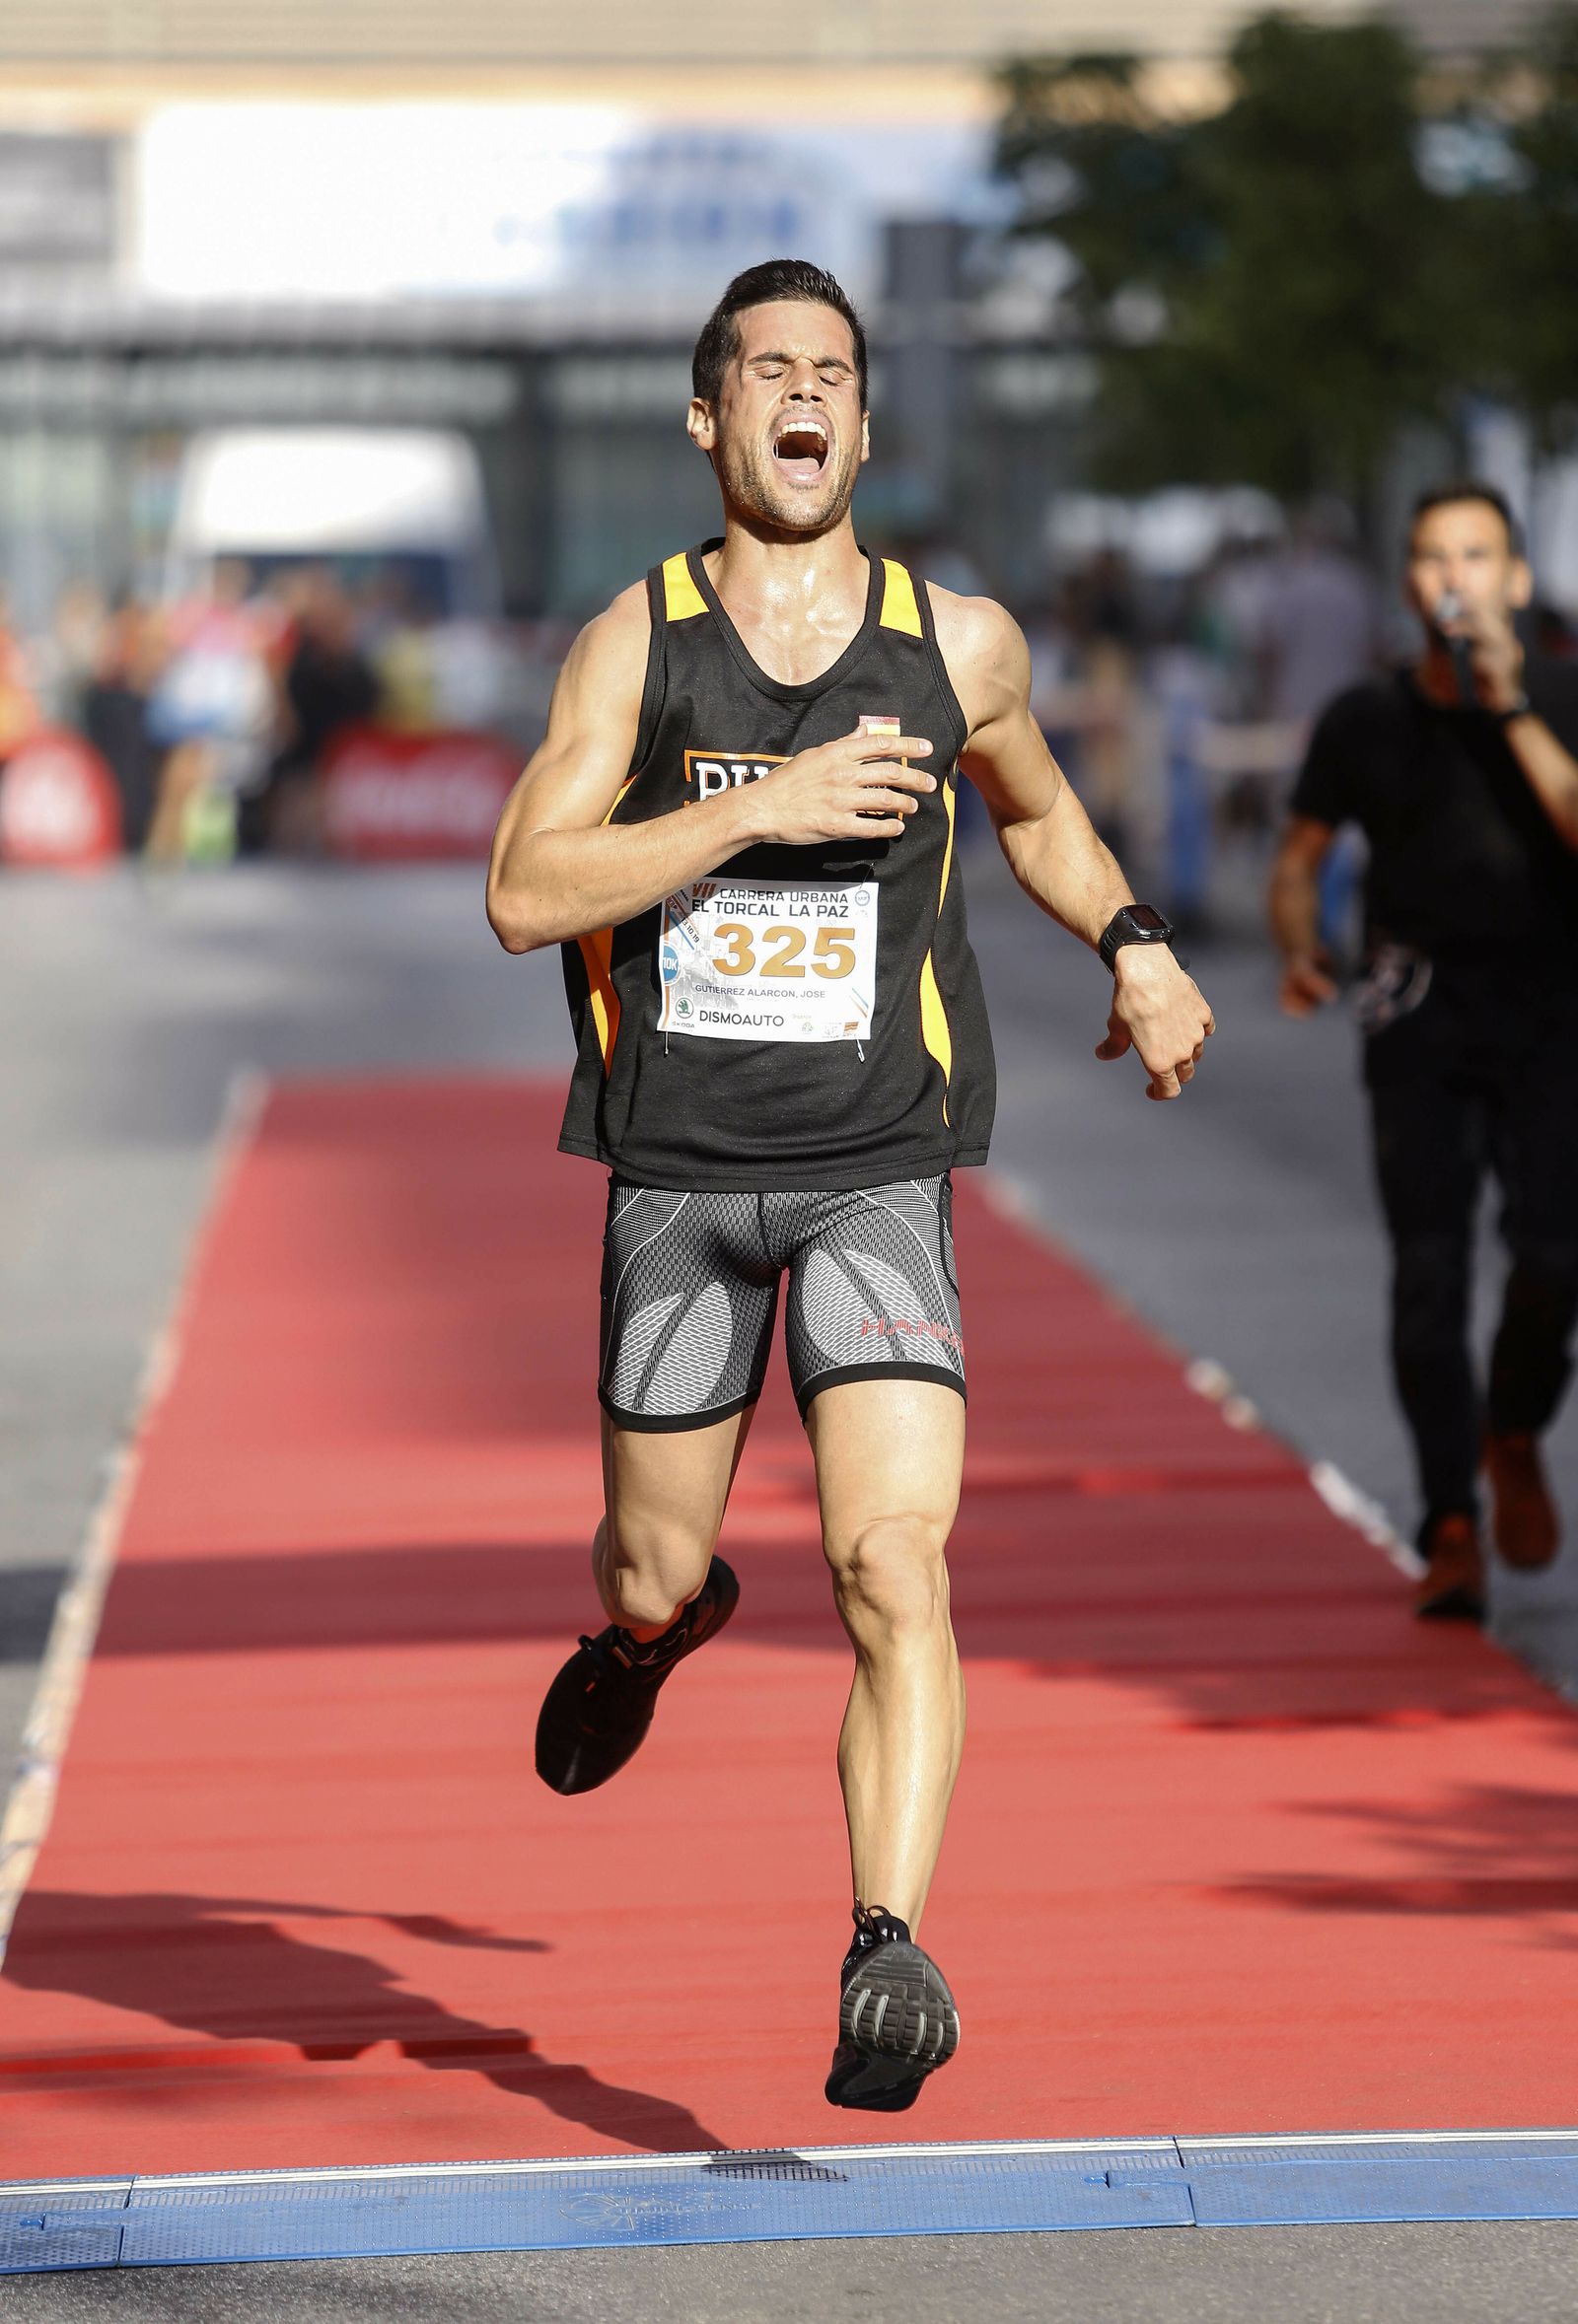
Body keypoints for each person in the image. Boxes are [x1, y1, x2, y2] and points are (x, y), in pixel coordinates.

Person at [486, 259, 1214, 2112]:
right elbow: (522, 892)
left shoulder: (957, 645)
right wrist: (755, 807)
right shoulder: (633, 644)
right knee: (654, 1548)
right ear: (709, 417)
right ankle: (656, 1626)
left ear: (863, 425)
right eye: (767, 371)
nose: (803, 397)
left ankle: (887, 1944)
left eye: (835, 372)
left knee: (897, 1561)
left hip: (879, 1166)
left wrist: (1131, 941)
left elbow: (1038, 805)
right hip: (675, 1173)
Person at [1268, 483, 1578, 1622]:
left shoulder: (1558, 690)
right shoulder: (1365, 717)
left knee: (1554, 1255)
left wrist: (1509, 711)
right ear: (1407, 581)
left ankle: (1513, 1426)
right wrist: (1299, 948)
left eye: (1476, 554)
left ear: (1514, 580)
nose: (1453, 576)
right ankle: (1449, 1519)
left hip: (1551, 1011)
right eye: (1432, 556)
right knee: (1428, 1274)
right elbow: (1299, 857)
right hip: (1419, 1010)